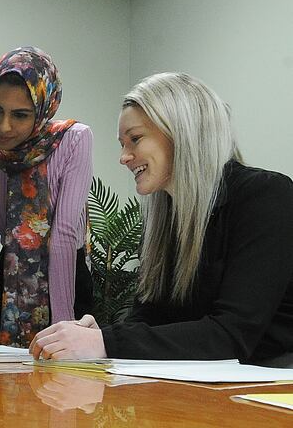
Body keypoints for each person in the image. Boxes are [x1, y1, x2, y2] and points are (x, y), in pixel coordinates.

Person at [29, 72, 293, 366]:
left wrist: (106, 342)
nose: (124, 157)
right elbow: (150, 316)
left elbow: (231, 336)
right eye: (122, 143)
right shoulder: (166, 216)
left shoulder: (266, 196)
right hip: (193, 393)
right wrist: (100, 336)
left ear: (182, 131)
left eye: (135, 139)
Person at [0, 46, 94, 348]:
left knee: (65, 386)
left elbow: (62, 234)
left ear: (43, 110)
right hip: (6, 282)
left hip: (68, 279)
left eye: (20, 115)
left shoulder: (73, 141)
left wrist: (63, 326)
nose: (3, 125)